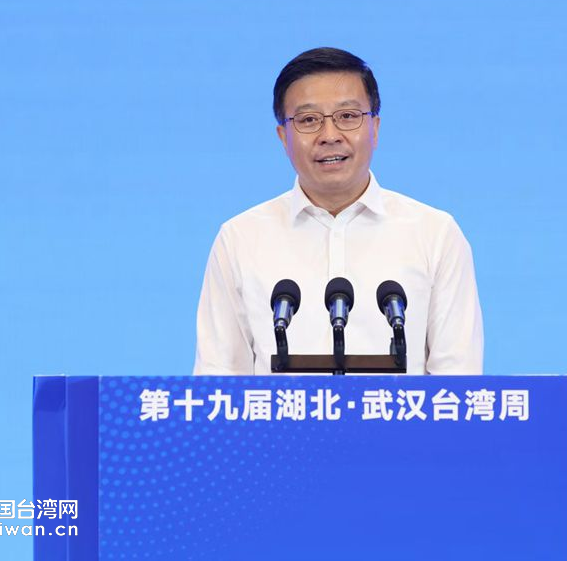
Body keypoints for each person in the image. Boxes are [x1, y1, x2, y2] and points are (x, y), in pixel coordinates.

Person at [193, 47, 483, 375]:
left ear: (375, 128)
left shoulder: (435, 234)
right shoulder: (240, 239)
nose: (329, 136)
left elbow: (458, 383)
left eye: (347, 116)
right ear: (283, 137)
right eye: (308, 120)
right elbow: (217, 383)